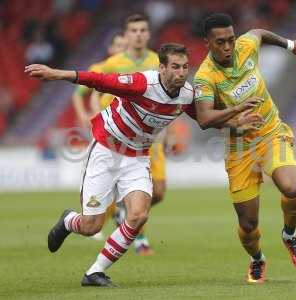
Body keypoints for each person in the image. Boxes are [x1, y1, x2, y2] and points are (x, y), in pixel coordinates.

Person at [25, 43, 262, 287]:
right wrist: (57, 73)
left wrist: (236, 124)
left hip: (137, 157)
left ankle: (95, 272)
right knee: (90, 226)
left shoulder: (187, 94)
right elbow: (98, 80)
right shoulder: (142, 83)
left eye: (184, 67)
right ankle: (68, 221)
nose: (181, 73)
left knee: (138, 216)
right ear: (162, 68)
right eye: (175, 67)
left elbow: (205, 119)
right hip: (106, 150)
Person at [194, 13, 296, 283]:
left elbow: (259, 32)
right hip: (239, 149)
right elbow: (203, 118)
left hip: (271, 133)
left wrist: (291, 45)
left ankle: (289, 235)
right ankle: (257, 258)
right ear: (207, 43)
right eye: (220, 42)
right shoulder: (205, 77)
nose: (227, 47)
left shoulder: (245, 47)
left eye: (230, 40)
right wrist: (236, 115)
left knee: (292, 187)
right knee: (248, 225)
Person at [73, 14, 171, 254]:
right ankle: (132, 235)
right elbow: (83, 92)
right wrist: (88, 116)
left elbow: (166, 97)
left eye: (142, 30)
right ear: (127, 35)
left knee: (158, 192)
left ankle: (122, 212)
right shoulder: (112, 64)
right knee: (124, 194)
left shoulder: (157, 61)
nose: (138, 34)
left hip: (150, 137)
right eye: (134, 30)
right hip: (118, 137)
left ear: (148, 34)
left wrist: (166, 130)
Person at [72, 32, 127, 241]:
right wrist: (84, 116)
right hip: (104, 129)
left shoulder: (129, 68)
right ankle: (91, 216)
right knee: (102, 172)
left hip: (126, 132)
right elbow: (79, 94)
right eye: (118, 45)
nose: (122, 48)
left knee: (121, 175)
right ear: (111, 49)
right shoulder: (100, 68)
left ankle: (117, 215)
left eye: (124, 45)